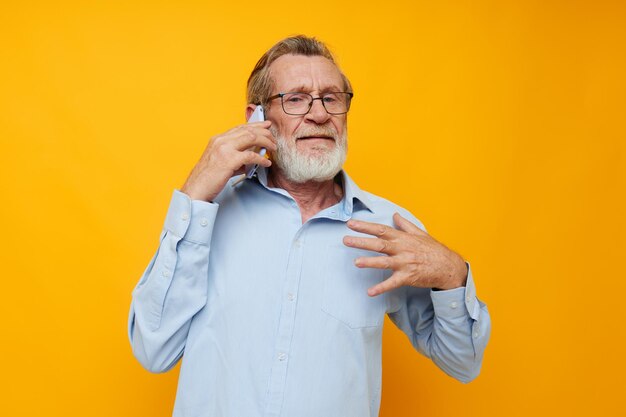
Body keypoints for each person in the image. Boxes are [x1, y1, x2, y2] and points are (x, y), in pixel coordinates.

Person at [128, 35, 490, 417]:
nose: (319, 115)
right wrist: (195, 194)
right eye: (296, 99)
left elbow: (461, 361)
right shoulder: (206, 215)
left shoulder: (389, 229)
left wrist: (453, 275)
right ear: (256, 117)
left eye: (332, 98)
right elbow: (154, 349)